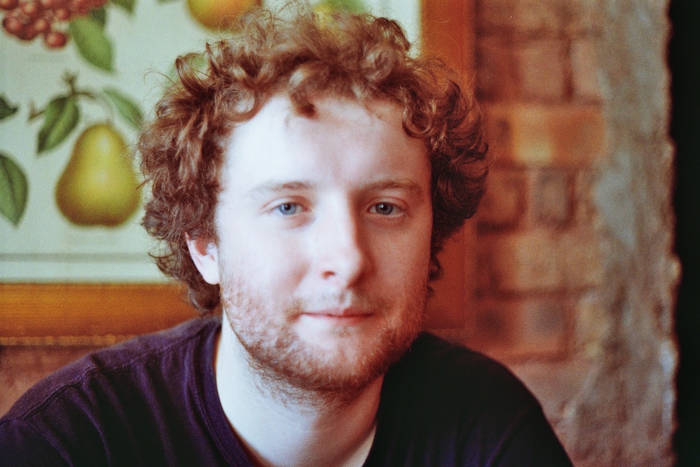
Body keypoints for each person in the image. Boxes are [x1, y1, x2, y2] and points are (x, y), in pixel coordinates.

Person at [0, 5, 572, 466]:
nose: (348, 259)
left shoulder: (488, 427)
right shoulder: (67, 443)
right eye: (288, 207)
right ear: (204, 244)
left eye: (385, 207)